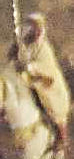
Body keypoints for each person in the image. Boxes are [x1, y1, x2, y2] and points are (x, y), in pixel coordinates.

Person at [12, 11, 69, 147]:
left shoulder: (44, 47)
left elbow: (46, 66)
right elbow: (19, 60)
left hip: (45, 82)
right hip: (27, 79)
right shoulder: (25, 46)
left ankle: (61, 135)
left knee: (49, 101)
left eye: (34, 26)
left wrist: (30, 67)